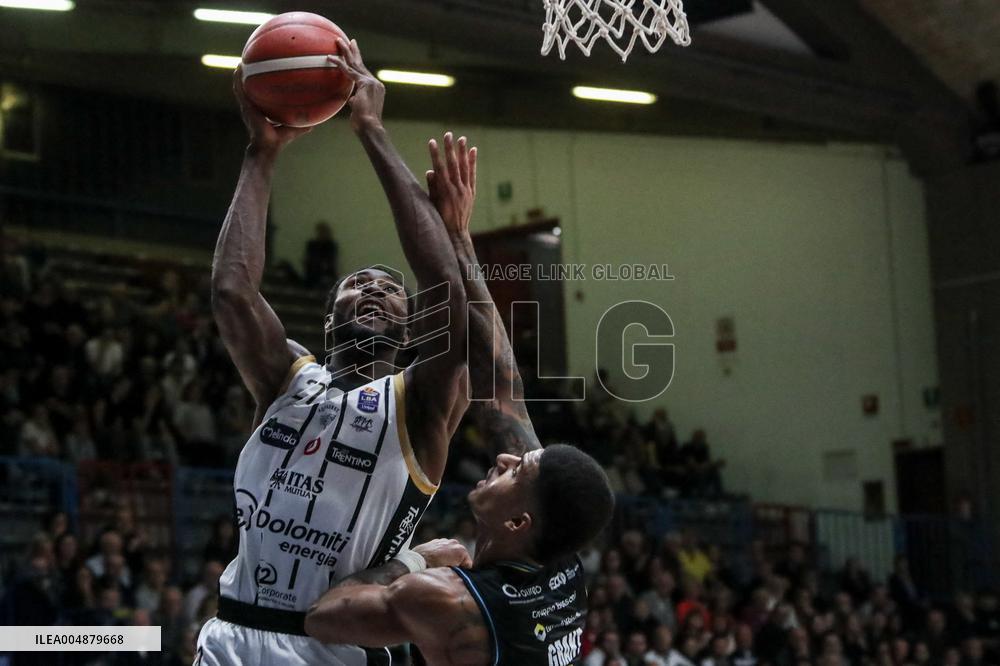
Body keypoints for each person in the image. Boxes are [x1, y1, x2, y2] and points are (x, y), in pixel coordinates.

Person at [304, 118, 616, 666]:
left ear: (519, 522)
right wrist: (459, 236)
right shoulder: (560, 559)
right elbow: (502, 383)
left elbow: (324, 617)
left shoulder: (449, 600)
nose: (504, 457)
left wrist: (417, 560)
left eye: (518, 471)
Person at [197, 38, 469, 666]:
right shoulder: (285, 382)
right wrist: (261, 153)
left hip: (333, 648)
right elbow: (232, 290)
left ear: (411, 328)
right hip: (231, 637)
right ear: (327, 320)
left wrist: (371, 129)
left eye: (391, 291)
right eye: (357, 286)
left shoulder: (420, 404)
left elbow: (450, 292)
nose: (373, 290)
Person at [304, 221, 339, 285]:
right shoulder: (312, 245)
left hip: (328, 274)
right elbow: (309, 260)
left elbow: (331, 262)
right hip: (313, 274)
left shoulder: (331, 246)